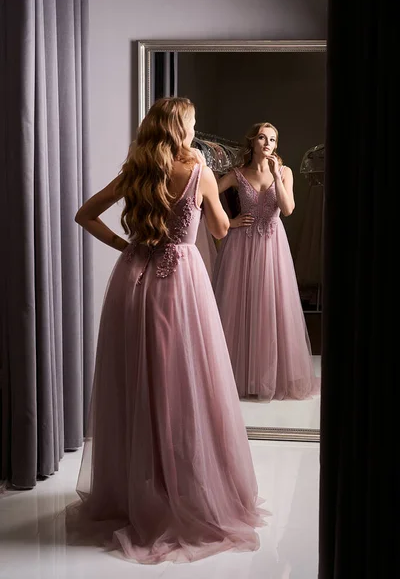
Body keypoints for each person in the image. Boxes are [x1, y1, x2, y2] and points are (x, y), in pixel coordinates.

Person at [70, 98, 268, 564]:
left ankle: (138, 492)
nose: (197, 129)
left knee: (139, 382)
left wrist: (126, 244)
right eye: (194, 122)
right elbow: (220, 230)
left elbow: (85, 213)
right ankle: (183, 489)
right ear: (181, 127)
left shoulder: (137, 169)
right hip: (179, 282)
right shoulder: (196, 169)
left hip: (133, 278)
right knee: (185, 383)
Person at [212, 122, 320, 401]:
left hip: (272, 246)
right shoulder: (237, 174)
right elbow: (205, 197)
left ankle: (270, 377)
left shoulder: (284, 172)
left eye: (272, 139)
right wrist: (230, 222)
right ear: (252, 143)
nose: (267, 142)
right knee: (240, 306)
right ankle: (238, 377)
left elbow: (287, 209)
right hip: (241, 247)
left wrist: (275, 174)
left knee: (270, 305)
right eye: (262, 137)